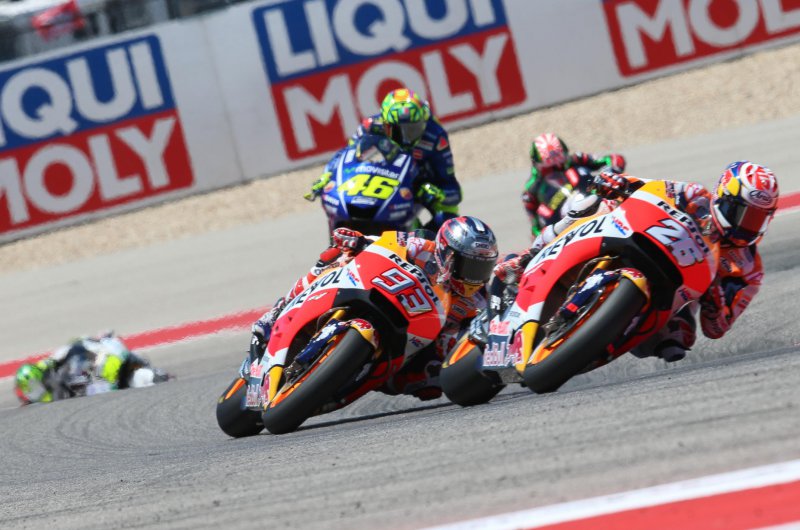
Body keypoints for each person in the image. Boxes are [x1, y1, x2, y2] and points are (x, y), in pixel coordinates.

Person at [494, 161, 779, 362]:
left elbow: (716, 329)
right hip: (644, 243)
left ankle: (595, 342)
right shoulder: (695, 195)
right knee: (593, 205)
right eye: (743, 214)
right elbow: (650, 188)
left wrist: (716, 302)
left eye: (758, 218)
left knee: (680, 337)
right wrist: (620, 182)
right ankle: (529, 258)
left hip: (671, 293)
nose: (748, 226)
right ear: (723, 198)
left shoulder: (749, 269)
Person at [248, 216, 498, 401]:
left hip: (414, 342)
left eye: (482, 269)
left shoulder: (477, 301)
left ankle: (360, 376)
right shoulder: (421, 247)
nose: (474, 277)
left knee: (431, 381)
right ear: (447, 253)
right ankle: (280, 309)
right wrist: (358, 240)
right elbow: (384, 242)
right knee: (335, 255)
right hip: (384, 294)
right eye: (469, 266)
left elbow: (471, 339)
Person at [306, 88, 461, 231]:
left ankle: (432, 245)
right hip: (384, 180)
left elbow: (452, 188)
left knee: (448, 213)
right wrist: (327, 175)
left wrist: (435, 192)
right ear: (386, 125)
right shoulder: (370, 126)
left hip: (420, 183)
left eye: (413, 129)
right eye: (400, 130)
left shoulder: (436, 136)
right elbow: (347, 154)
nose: (407, 137)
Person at [14, 332, 167, 405]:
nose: (36, 393)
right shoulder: (39, 403)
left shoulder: (51, 363)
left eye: (34, 388)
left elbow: (76, 345)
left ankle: (143, 368)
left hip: (100, 370)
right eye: (31, 392)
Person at [522, 132, 626, 237]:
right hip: (572, 229)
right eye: (549, 168)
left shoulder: (578, 159)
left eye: (560, 163)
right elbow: (536, 230)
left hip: (604, 203)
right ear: (537, 164)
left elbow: (614, 159)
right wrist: (548, 235)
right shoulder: (531, 192)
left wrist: (609, 173)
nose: (557, 168)